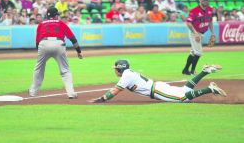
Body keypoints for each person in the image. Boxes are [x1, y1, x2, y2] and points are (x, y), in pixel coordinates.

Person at [89, 59, 226, 103]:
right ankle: (205, 71)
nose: (114, 70)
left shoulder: (126, 75)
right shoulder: (128, 72)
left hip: (157, 90)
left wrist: (102, 99)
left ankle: (210, 89)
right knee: (185, 90)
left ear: (119, 69)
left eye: (115, 68)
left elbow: (115, 90)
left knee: (182, 98)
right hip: (158, 86)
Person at [29, 6, 83, 99]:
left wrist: (40, 53)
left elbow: (37, 42)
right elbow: (73, 39)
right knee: (65, 70)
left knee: (38, 68)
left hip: (43, 44)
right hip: (59, 44)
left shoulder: (41, 24)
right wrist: (79, 51)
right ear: (55, 16)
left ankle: (32, 92)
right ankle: (71, 93)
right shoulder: (60, 23)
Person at [182, 0, 214, 75]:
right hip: (194, 32)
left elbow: (210, 21)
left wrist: (212, 33)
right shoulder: (194, 10)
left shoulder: (210, 9)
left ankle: (185, 70)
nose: (206, 1)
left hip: (202, 33)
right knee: (198, 52)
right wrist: (195, 33)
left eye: (207, 0)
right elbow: (188, 23)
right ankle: (193, 71)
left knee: (193, 52)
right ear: (200, 0)